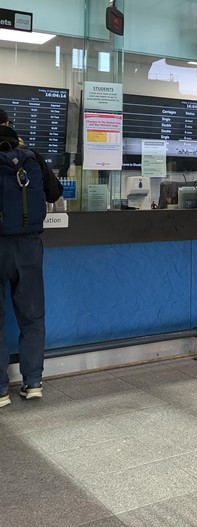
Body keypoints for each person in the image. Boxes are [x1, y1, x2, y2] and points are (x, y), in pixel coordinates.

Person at [0, 123, 63, 407]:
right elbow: (54, 193)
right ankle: (33, 383)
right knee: (33, 317)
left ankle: (1, 391)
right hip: (28, 246)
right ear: (8, 126)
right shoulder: (32, 156)